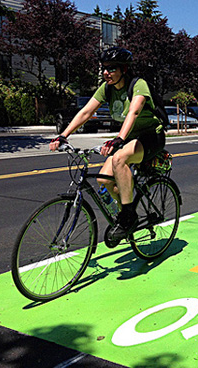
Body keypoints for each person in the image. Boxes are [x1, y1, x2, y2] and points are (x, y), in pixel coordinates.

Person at [49, 47, 166, 245]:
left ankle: (128, 216)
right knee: (104, 180)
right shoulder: (107, 88)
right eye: (104, 68)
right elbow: (86, 112)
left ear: (124, 69)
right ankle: (125, 210)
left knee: (120, 158)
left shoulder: (138, 85)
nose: (106, 73)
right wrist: (63, 135)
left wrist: (119, 138)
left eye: (111, 69)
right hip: (130, 137)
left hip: (150, 136)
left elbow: (134, 112)